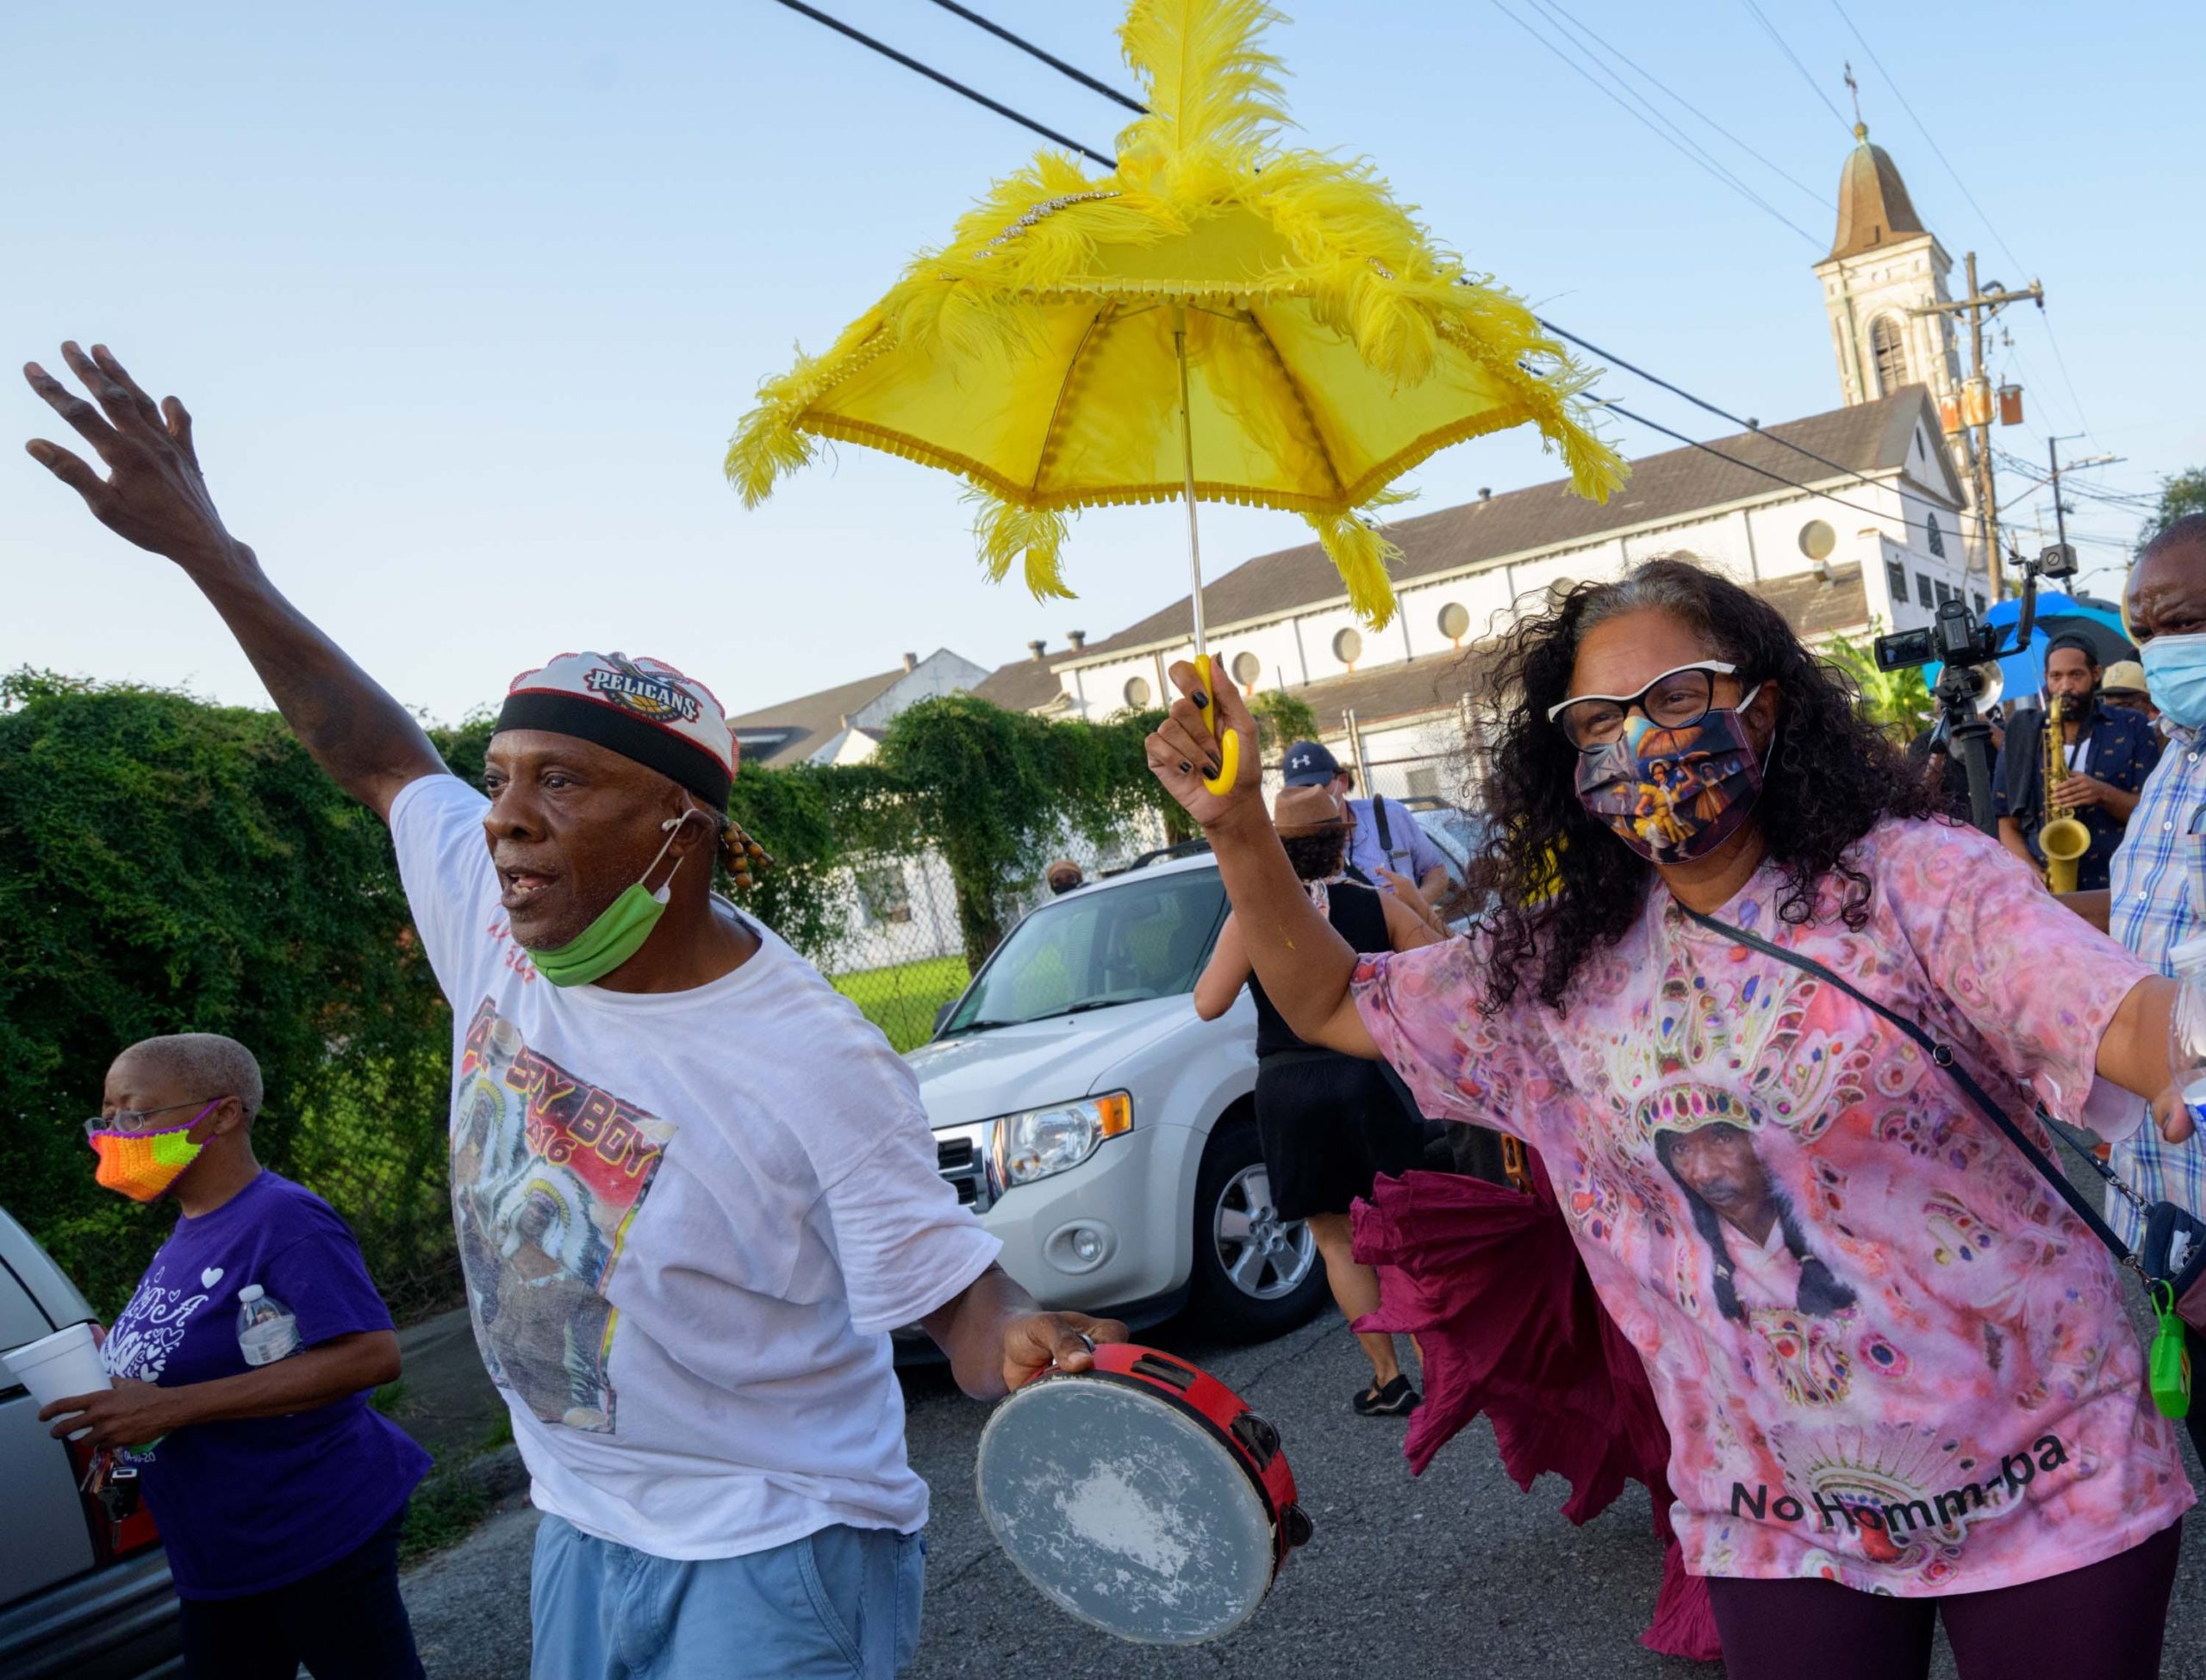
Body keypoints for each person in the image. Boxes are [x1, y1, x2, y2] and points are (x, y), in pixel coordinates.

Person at [24, 343, 1124, 1680]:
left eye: (562, 780)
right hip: (583, 1525)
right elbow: (376, 755)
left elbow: (947, 1292)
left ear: (687, 827)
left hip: (776, 1547)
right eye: (499, 775)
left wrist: (1011, 1332)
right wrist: (210, 551)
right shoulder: (491, 913)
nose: (503, 816)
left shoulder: (807, 1053)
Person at [1146, 556, 2196, 1679]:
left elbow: (2122, 1014)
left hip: (2044, 1463)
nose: (1641, 739)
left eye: (1679, 696)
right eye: (1599, 717)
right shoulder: (1555, 970)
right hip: (1774, 1504)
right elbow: (1323, 998)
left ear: (1767, 704)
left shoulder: (1910, 881)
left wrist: (2182, 1058)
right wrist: (1237, 823)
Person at [41, 1034, 431, 1680]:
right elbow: (206, 1343)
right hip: (220, 1554)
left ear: (221, 1115)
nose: (113, 1136)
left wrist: (169, 1406)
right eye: (106, 1119)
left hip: (309, 1532)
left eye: (134, 1116)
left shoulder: (284, 1219)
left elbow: (371, 1356)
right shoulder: (192, 1226)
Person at [1193, 784, 1438, 1416]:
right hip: (1370, 1074)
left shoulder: (1254, 917)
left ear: (1275, 846)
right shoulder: (1376, 903)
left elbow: (1208, 1002)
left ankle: (1387, 1379)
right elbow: (1443, 971)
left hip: (1289, 1086)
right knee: (1400, 1235)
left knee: (1337, 1241)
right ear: (1344, 837)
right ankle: (1438, 1376)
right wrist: (1413, 905)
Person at [2085, 513, 2206, 1467]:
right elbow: (2143, 923)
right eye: (2148, 631)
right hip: (2170, 1201)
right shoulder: (2173, 754)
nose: (2168, 652)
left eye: (2189, 623)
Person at [1993, 633, 2160, 889]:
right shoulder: (2023, 732)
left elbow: (2155, 814)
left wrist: (2102, 793)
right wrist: (2031, 873)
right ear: (2046, 678)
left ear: (2095, 673)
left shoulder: (2132, 725)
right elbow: (2006, 822)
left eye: (2076, 675)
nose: (2065, 686)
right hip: (2045, 889)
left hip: (2119, 885)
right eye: (2056, 676)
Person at [1281, 738, 1450, 905]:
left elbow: (1436, 871)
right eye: (1302, 791)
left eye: (1319, 786)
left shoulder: (1390, 815)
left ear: (1343, 781)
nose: (1314, 796)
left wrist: (1416, 905)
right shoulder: (1293, 847)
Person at [2102, 657, 2163, 730]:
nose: (2116, 714)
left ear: (2149, 703)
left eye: (2124, 705)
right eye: (2110, 707)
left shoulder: (2171, 736)